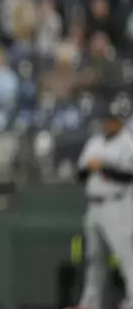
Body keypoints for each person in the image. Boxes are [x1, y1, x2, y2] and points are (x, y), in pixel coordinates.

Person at [67, 111, 133, 309]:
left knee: (126, 256)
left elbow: (128, 176)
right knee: (93, 257)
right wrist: (90, 167)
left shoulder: (127, 144)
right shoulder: (94, 142)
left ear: (118, 122)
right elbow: (79, 174)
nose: (106, 124)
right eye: (105, 120)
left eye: (110, 120)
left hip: (116, 204)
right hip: (93, 206)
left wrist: (102, 167)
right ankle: (90, 303)